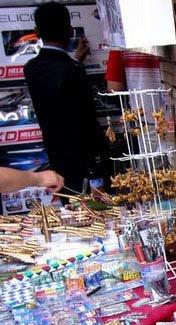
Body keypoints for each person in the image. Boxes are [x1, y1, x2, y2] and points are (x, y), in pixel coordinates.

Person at [23, 2, 107, 193]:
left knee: (72, 214)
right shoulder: (72, 70)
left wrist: (75, 62)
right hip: (86, 166)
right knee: (97, 215)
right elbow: (86, 122)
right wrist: (96, 174)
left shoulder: (31, 69)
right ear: (70, 30)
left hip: (58, 165)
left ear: (36, 32)